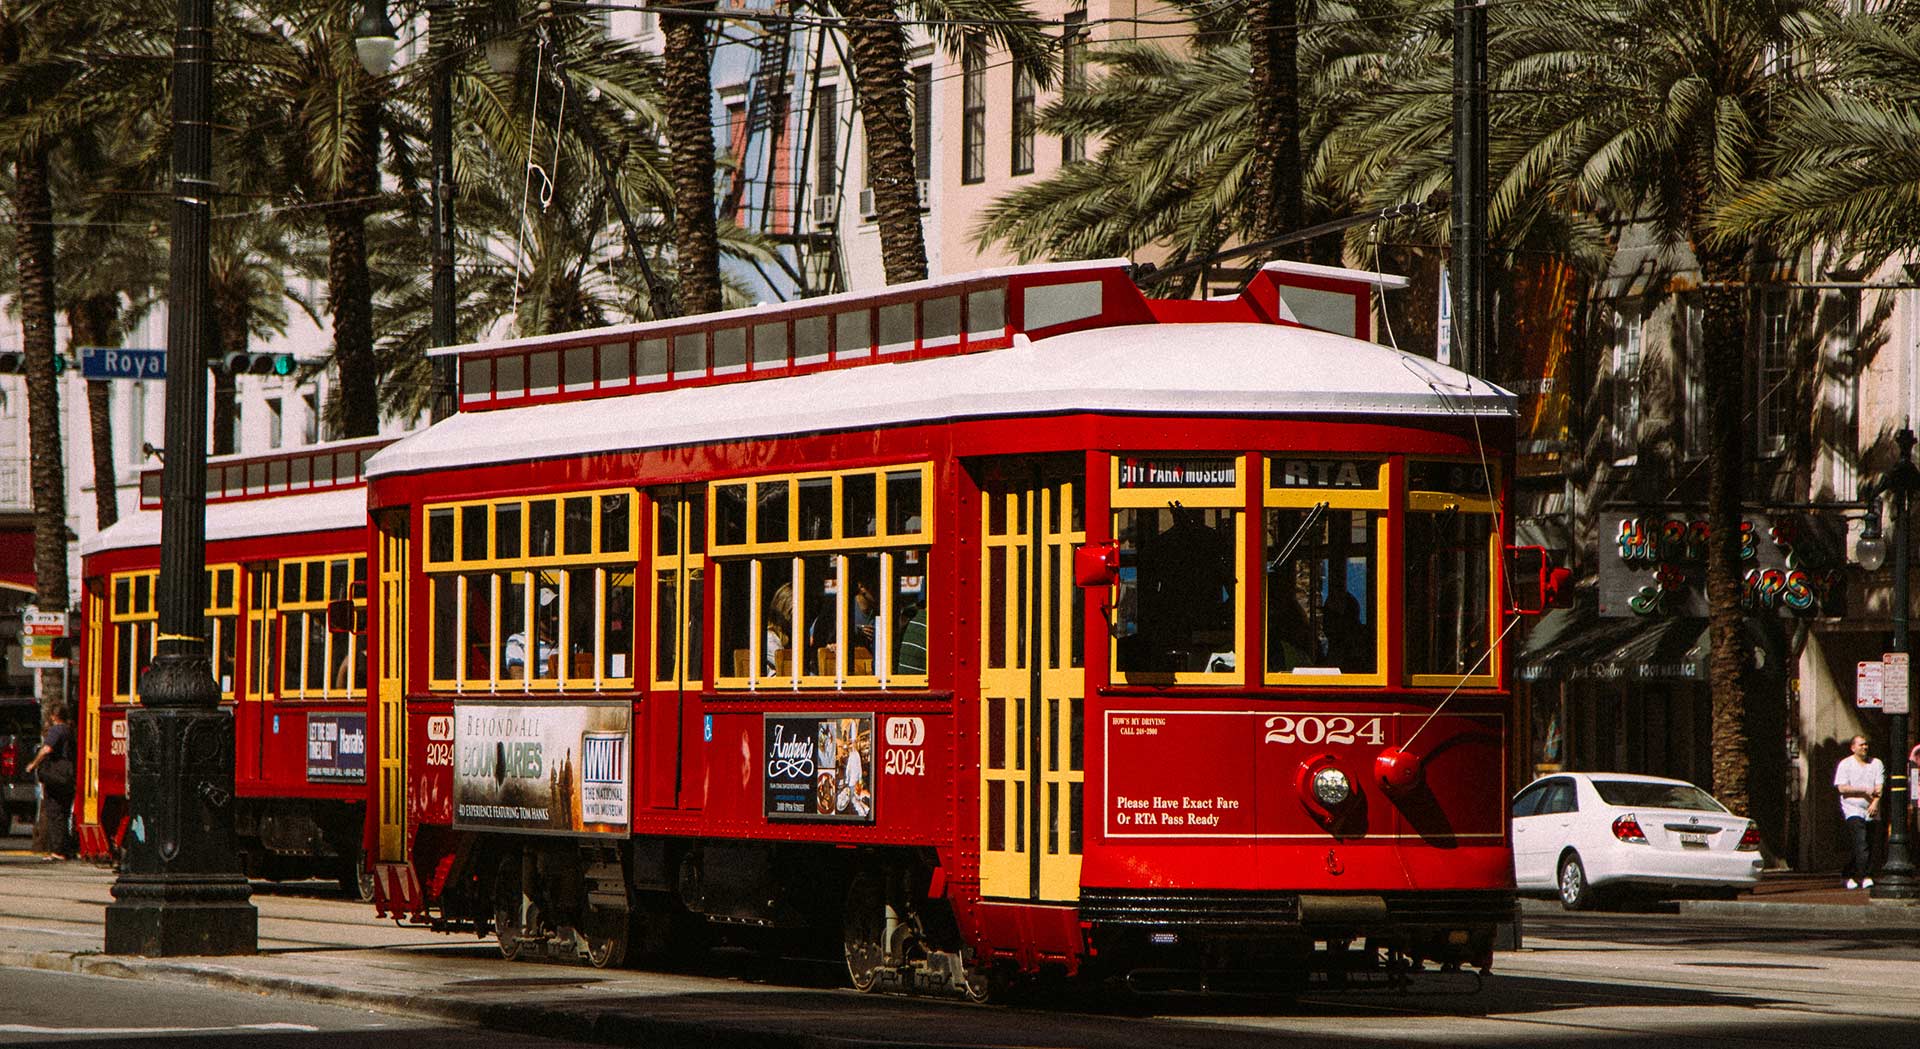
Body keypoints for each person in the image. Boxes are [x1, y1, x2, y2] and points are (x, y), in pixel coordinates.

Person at [23, 704, 75, 861]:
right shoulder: (70, 730)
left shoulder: (56, 730)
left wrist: (34, 764)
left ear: (53, 716)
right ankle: (65, 848)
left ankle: (57, 850)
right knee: (64, 812)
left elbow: (47, 749)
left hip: (56, 775)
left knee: (55, 811)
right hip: (68, 774)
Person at [1835, 734, 1884, 890]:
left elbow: (1879, 786)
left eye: (1866, 744)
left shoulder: (1876, 763)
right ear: (1853, 748)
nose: (1865, 747)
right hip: (1853, 808)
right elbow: (1842, 787)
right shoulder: (1845, 765)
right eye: (1861, 745)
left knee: (1868, 844)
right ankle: (1865, 876)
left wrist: (1875, 802)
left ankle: (1847, 874)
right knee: (1860, 841)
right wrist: (1864, 790)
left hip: (1871, 809)